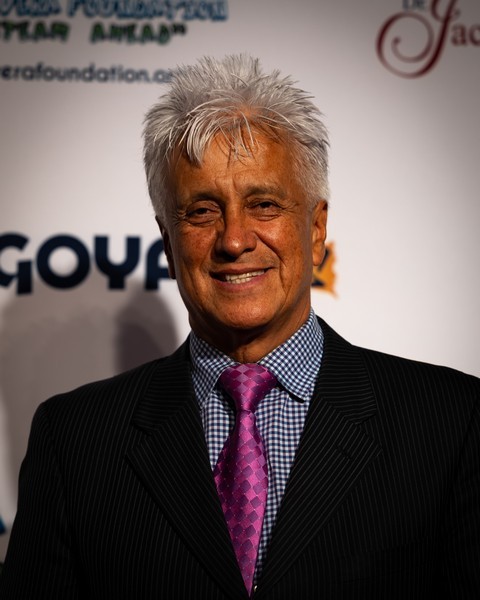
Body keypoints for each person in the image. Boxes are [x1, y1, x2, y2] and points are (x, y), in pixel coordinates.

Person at [0, 54, 479, 600]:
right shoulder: (75, 442)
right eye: (202, 211)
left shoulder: (452, 424)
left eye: (264, 204)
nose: (233, 240)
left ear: (316, 230)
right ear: (167, 242)